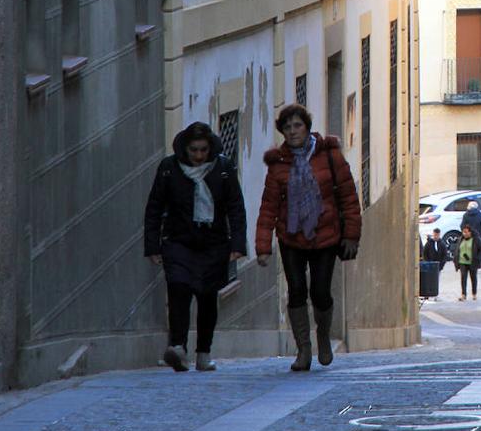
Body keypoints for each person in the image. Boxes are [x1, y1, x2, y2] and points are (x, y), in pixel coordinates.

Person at [256, 104, 361, 371]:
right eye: (287, 127)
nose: (293, 131)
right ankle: (303, 349)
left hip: (326, 234)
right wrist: (263, 245)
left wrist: (351, 235)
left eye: (297, 126)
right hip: (291, 236)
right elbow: (268, 205)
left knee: (321, 292)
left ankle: (323, 334)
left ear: (307, 127)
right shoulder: (278, 164)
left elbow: (348, 196)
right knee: (297, 290)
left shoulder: (329, 156)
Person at [144, 121, 247, 372]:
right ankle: (178, 346)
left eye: (203, 150)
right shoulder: (170, 168)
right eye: (194, 150)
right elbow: (155, 208)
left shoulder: (222, 168)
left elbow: (235, 207)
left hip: (213, 242)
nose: (199, 156)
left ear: (210, 147)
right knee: (178, 289)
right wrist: (153, 246)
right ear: (185, 149)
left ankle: (203, 352)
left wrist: (237, 244)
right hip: (179, 241)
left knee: (207, 297)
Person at [455, 223, 481, 301]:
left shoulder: (475, 239)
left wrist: (478, 258)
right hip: (462, 261)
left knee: (473, 277)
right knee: (463, 277)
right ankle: (463, 294)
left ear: (470, 232)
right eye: (463, 232)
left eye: (466, 232)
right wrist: (456, 260)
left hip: (472, 262)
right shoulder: (461, 239)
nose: (465, 234)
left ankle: (474, 293)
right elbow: (457, 249)